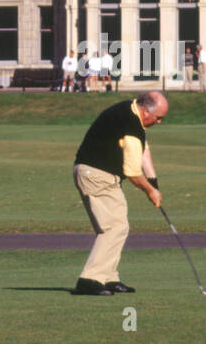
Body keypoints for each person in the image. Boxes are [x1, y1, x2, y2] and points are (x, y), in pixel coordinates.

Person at [71, 91, 168, 296]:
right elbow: (132, 173)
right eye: (158, 117)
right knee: (114, 227)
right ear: (145, 110)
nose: (159, 122)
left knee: (118, 225)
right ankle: (90, 280)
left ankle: (107, 277)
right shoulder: (130, 125)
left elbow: (144, 154)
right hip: (96, 175)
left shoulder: (131, 114)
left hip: (100, 175)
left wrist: (154, 183)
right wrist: (150, 192)